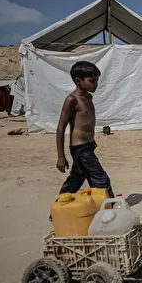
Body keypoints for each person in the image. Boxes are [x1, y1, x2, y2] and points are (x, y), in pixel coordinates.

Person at [55, 61, 114, 198]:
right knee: (101, 178)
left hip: (88, 145)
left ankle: (61, 204)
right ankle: (111, 205)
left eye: (97, 80)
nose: (96, 84)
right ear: (78, 81)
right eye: (92, 81)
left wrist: (91, 141)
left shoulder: (88, 97)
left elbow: (86, 123)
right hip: (80, 148)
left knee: (77, 177)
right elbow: (61, 127)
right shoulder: (72, 100)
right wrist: (60, 156)